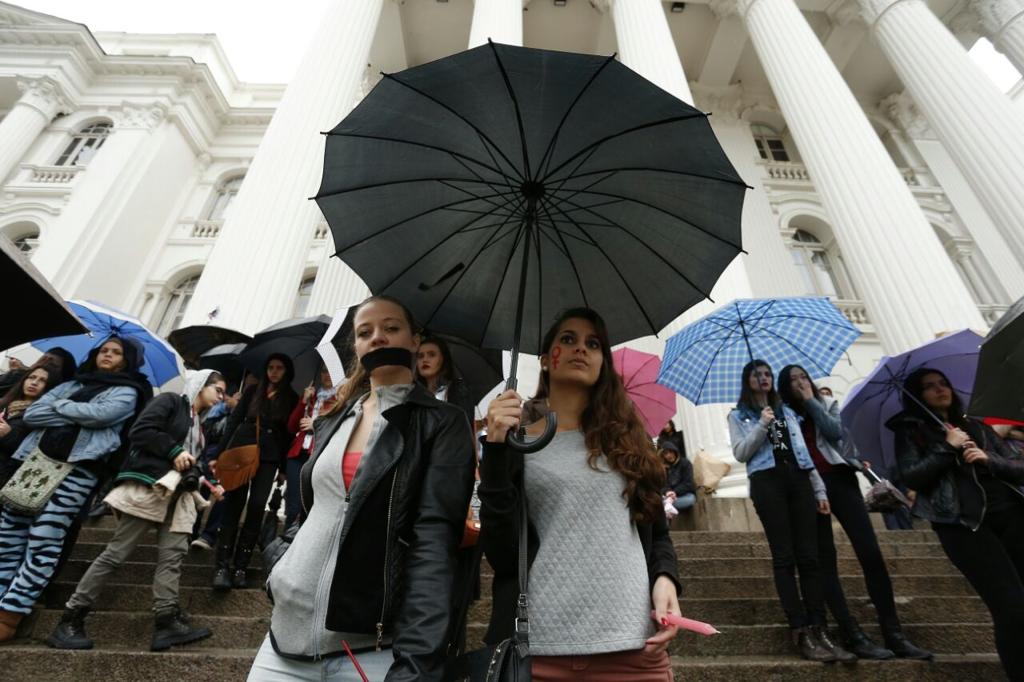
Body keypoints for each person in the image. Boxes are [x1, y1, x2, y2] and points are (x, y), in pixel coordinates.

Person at [248, 294, 476, 681]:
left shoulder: (441, 422)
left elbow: (433, 544)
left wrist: (418, 661)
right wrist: (281, 565)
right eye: (365, 331)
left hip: (371, 648)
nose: (378, 338)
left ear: (415, 339)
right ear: (355, 346)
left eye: (391, 328)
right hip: (284, 639)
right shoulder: (332, 419)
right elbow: (313, 510)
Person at [481, 307, 681, 680]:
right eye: (567, 340)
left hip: (632, 646)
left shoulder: (628, 440)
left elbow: (657, 536)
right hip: (538, 649)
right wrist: (495, 449)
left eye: (593, 344)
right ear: (545, 360)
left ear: (604, 362)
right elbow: (502, 551)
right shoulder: (516, 442)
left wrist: (665, 579)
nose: (581, 349)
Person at [46, 370, 228, 651]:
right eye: (218, 389)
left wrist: (210, 483)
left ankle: (166, 621)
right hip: (151, 488)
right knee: (116, 554)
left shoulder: (199, 426)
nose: (221, 397)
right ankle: (71, 618)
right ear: (201, 385)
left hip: (178, 496)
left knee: (173, 556)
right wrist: (172, 451)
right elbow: (141, 430)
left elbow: (192, 462)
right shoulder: (170, 402)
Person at [0, 337, 150, 642]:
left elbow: (103, 416)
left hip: (79, 469)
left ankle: (10, 615)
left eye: (116, 352)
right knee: (8, 535)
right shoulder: (73, 383)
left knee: (44, 539)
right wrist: (77, 410)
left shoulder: (129, 390)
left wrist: (60, 407)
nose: (107, 355)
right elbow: (32, 415)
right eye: (104, 350)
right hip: (36, 462)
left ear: (127, 359)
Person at [777, 364, 930, 660]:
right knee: (825, 562)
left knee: (870, 553)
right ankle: (852, 633)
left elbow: (835, 433)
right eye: (793, 380)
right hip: (810, 488)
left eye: (803, 377)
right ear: (785, 386)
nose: (799, 383)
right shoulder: (781, 415)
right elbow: (784, 454)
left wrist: (811, 401)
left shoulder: (826, 403)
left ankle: (894, 633)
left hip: (841, 480)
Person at [889, 367, 1024, 680]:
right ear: (916, 395)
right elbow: (912, 476)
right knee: (1011, 607)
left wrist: (991, 460)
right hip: (965, 525)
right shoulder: (912, 431)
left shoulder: (974, 425)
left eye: (943, 383)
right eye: (928, 387)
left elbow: (1018, 466)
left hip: (1011, 515)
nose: (939, 390)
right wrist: (946, 447)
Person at [728, 360, 854, 663]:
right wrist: (762, 424)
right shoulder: (739, 415)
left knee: (809, 557)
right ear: (747, 381)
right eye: (757, 374)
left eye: (768, 374)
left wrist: (819, 488)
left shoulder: (787, 412)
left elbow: (803, 453)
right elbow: (741, 453)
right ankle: (799, 629)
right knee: (784, 557)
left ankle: (819, 626)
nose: (764, 378)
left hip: (797, 478)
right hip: (766, 481)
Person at [210, 354, 298, 590]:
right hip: (241, 450)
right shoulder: (252, 391)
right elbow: (234, 420)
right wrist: (219, 454)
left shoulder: (291, 397)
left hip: (269, 456)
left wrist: (282, 467)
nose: (274, 372)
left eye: (279, 368)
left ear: (286, 371)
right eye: (270, 367)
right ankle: (222, 565)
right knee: (234, 503)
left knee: (258, 504)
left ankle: (241, 566)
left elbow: (289, 435)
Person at [284, 364, 338, 528]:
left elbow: (336, 426)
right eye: (323, 371)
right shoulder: (311, 396)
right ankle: (287, 545)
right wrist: (303, 401)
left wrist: (315, 424)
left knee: (310, 504)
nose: (327, 375)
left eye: (331, 371)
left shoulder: (340, 399)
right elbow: (292, 426)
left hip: (319, 455)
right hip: (297, 455)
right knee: (293, 503)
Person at [0, 363, 60, 486]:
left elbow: (34, 450)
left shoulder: (43, 416)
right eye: (31, 377)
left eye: (42, 380)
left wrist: (8, 434)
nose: (34, 383)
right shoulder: (5, 404)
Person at [416, 335, 475, 427]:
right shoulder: (413, 394)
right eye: (420, 356)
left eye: (431, 355)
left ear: (443, 359)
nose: (425, 360)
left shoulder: (457, 390)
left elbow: (464, 427)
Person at [660, 442, 696, 513]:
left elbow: (688, 484)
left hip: (686, 495)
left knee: (690, 500)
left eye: (670, 452)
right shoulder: (664, 468)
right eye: (666, 453)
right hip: (670, 497)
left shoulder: (685, 463)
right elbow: (664, 485)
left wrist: (674, 492)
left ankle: (666, 505)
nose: (669, 455)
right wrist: (668, 492)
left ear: (675, 451)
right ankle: (667, 505)